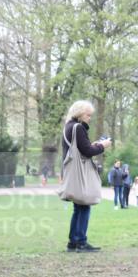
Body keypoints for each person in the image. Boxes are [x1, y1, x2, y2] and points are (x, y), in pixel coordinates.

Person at [60, 100, 110, 251]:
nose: (90, 118)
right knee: (85, 205)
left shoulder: (68, 127)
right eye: (88, 115)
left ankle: (73, 242)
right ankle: (81, 241)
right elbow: (87, 152)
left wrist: (92, 144)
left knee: (78, 208)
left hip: (72, 172)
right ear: (80, 114)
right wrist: (102, 146)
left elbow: (82, 148)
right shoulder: (78, 128)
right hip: (80, 174)